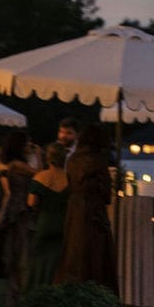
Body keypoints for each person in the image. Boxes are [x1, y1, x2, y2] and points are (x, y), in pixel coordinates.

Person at [57, 124, 118, 292]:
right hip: (93, 212)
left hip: (74, 209)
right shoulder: (98, 159)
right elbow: (106, 194)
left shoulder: (72, 159)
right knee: (96, 257)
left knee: (73, 253)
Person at [0, 129, 34, 307]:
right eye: (27, 143)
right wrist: (39, 155)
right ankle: (18, 297)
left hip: (14, 211)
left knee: (14, 254)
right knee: (22, 254)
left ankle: (13, 297)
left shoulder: (7, 164)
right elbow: (38, 173)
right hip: (20, 211)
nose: (29, 146)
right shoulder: (18, 165)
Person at [27, 141, 70, 289]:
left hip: (45, 221)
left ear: (48, 157)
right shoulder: (69, 178)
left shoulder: (41, 177)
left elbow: (32, 202)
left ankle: (38, 289)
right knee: (57, 261)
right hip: (63, 223)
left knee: (39, 260)